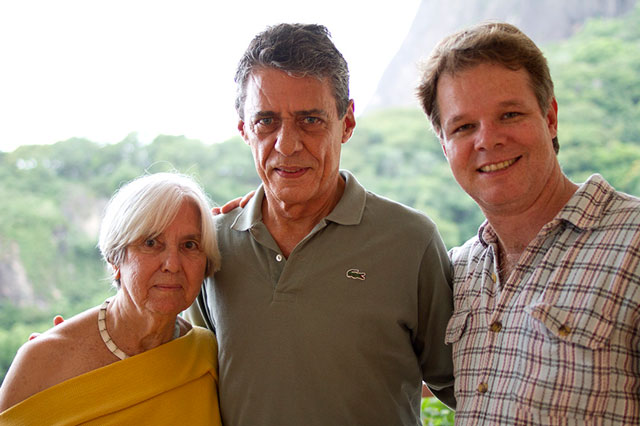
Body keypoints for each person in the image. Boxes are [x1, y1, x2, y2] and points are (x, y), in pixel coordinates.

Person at [184, 23, 455, 425]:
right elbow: (184, 377)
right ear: (244, 129)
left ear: (346, 123)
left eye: (310, 120)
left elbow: (470, 388)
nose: (287, 144)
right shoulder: (211, 246)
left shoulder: (410, 242)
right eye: (266, 121)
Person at [416, 22, 640, 424]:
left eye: (509, 114)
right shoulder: (458, 272)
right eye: (464, 126)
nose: (488, 140)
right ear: (443, 143)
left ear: (550, 118)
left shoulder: (634, 243)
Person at [0, 172, 222, 425]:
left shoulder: (206, 356)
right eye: (151, 242)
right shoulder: (42, 362)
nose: (172, 264)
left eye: (190, 245)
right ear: (114, 258)